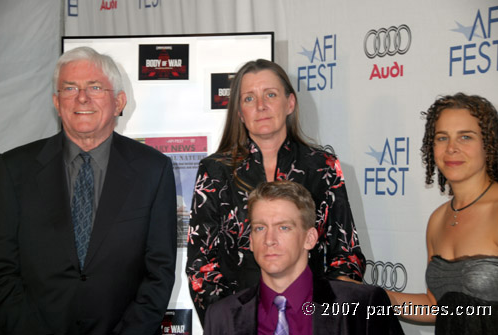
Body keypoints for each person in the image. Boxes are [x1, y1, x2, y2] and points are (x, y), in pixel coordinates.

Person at [0, 47, 177, 334]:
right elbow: (3, 270)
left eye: (95, 87)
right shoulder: (12, 169)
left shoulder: (153, 170)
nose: (82, 97)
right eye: (70, 88)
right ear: (57, 102)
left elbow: (159, 272)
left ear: (119, 101)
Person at [186, 59, 365, 324]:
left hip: (312, 319)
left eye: (270, 94)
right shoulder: (215, 171)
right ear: (239, 112)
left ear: (290, 103)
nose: (261, 106)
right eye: (249, 98)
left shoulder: (323, 167)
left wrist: (325, 319)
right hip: (240, 321)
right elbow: (201, 265)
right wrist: (233, 321)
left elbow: (346, 255)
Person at [203, 180, 403, 335]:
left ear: (310, 238)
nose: (269, 240)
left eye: (284, 227)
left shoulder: (362, 306)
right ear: (251, 240)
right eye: (260, 228)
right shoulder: (222, 316)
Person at [387, 93, 498, 333]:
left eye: (465, 137)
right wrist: (380, 298)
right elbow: (436, 307)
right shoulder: (438, 219)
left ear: (488, 144)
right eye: (442, 138)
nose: (451, 148)